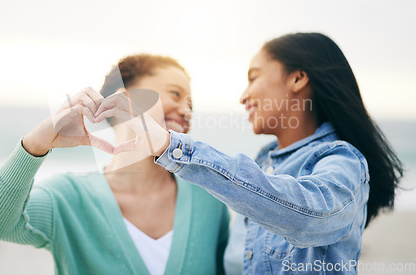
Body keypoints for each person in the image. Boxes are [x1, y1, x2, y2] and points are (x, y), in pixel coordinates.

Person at [94, 33, 404, 275]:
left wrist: (169, 145)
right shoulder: (261, 169)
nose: (243, 96)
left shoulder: (342, 162)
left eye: (253, 77)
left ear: (297, 78)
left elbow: (309, 216)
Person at [0, 54, 230, 275]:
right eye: (175, 94)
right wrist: (35, 144)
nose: (186, 110)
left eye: (191, 104)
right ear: (123, 98)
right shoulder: (68, 197)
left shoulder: (208, 199)